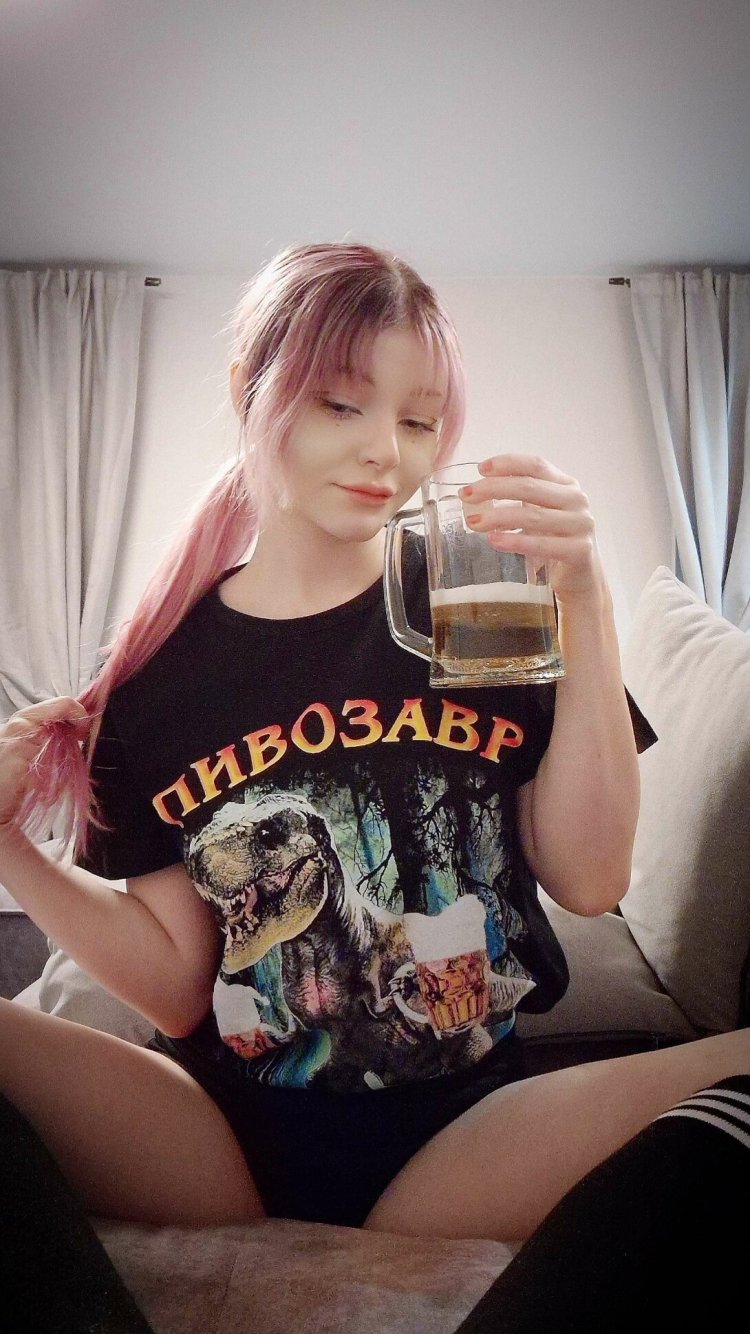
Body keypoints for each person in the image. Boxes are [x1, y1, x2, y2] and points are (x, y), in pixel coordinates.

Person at [1, 243, 748, 1324]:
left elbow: (591, 879)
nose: (385, 452)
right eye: (342, 404)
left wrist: (585, 599)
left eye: (419, 420)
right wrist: (6, 847)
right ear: (252, 392)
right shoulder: (158, 675)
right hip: (212, 1135)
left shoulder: (471, 599)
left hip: (463, 1131)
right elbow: (174, 985)